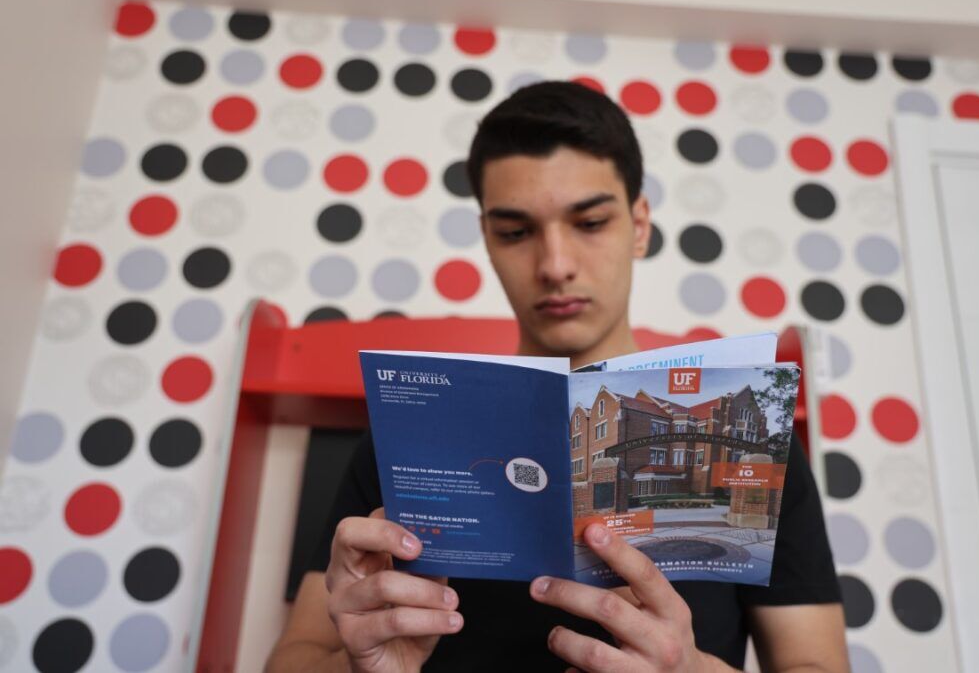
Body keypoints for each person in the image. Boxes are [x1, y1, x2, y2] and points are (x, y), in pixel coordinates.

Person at [266, 81, 849, 673]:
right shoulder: (404, 440)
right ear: (487, 240)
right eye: (515, 232)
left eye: (590, 222)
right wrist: (362, 666)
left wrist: (693, 671)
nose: (555, 265)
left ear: (639, 225)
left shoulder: (764, 444)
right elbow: (294, 658)